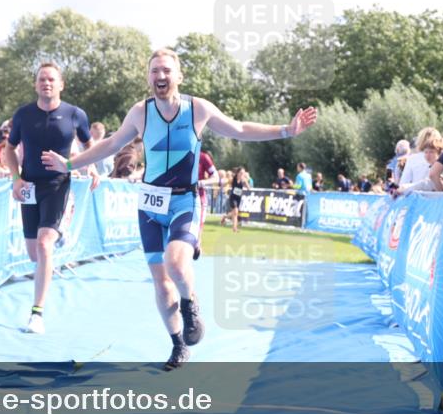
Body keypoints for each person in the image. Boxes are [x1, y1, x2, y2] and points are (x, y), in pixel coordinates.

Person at [43, 49, 317, 370]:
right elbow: (113, 144)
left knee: (176, 263)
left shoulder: (197, 109)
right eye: (155, 71)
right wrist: (69, 163)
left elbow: (239, 129)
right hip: (149, 204)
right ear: (148, 77)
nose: (161, 76)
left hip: (184, 200)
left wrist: (286, 129)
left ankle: (191, 301)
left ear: (179, 76)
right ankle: (177, 345)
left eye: (167, 71)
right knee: (161, 284)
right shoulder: (140, 113)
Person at [0, 62, 99, 334]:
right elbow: (8, 150)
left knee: (44, 245)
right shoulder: (22, 115)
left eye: (52, 79)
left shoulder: (75, 114)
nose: (46, 83)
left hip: (57, 185)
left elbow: (91, 146)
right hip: (30, 186)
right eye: (42, 79)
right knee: (35, 254)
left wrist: (88, 165)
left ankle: (36, 314)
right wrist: (16, 178)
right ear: (35, 85)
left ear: (61, 84)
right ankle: (57, 232)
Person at [195, 149, 220, 256]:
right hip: (179, 198)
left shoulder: (203, 157)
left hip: (199, 197)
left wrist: (201, 183)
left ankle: (197, 246)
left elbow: (216, 177)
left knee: (198, 229)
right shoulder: (177, 152)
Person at [226, 166, 250, 233]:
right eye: (241, 173)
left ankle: (225, 216)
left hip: (238, 198)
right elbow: (228, 183)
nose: (242, 174)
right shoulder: (233, 178)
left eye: (243, 173)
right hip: (233, 197)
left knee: (234, 213)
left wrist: (246, 182)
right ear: (238, 173)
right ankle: (234, 228)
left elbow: (248, 188)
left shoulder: (243, 180)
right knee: (236, 212)